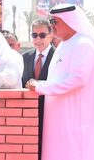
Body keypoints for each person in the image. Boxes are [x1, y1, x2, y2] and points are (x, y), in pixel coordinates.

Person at [26, 4, 94, 160]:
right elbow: (57, 79)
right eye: (51, 22)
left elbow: (78, 79)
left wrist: (43, 88)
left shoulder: (83, 44)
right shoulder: (63, 45)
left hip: (74, 120)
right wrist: (41, 84)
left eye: (55, 21)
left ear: (69, 21)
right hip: (58, 120)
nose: (52, 26)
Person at [22, 18, 55, 160]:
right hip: (28, 116)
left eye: (42, 35)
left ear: (51, 35)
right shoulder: (24, 57)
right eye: (34, 35)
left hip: (51, 115)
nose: (38, 39)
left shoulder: (58, 56)